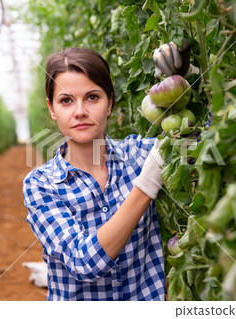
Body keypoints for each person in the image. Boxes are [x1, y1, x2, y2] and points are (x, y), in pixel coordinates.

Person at [22, 47, 167, 301]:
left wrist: (185, 83)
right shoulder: (41, 185)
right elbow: (83, 262)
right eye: (66, 100)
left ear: (110, 103)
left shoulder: (141, 154)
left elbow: (204, 134)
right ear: (52, 109)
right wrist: (146, 187)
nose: (80, 111)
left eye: (92, 97)